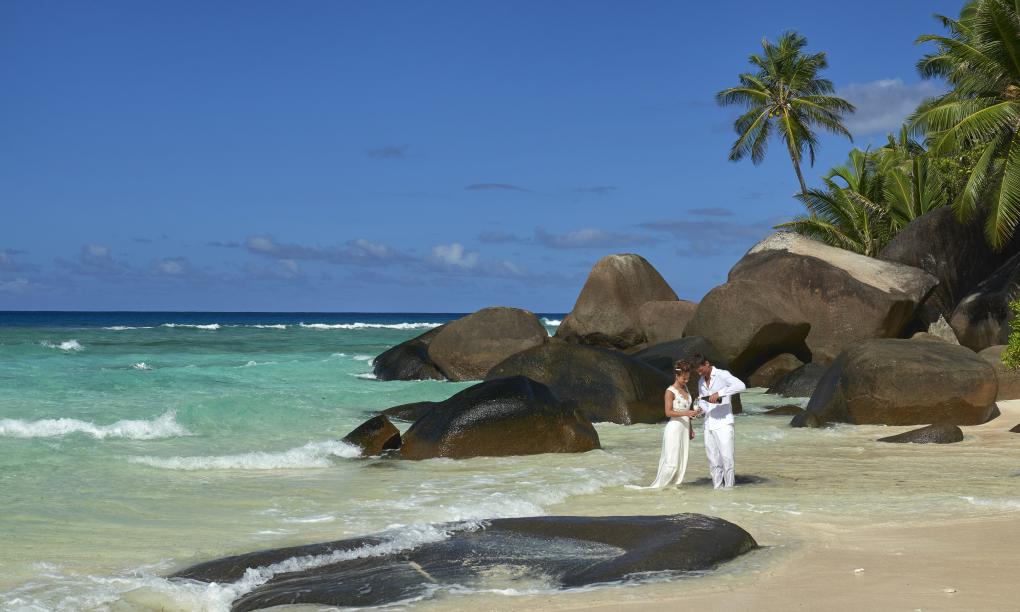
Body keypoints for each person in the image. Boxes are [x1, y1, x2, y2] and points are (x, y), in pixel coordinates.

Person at [645, 360, 703, 489]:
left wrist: (691, 428)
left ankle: (673, 489)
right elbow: (668, 412)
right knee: (671, 462)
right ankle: (658, 488)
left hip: (684, 429)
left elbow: (688, 412)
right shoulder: (670, 391)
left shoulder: (686, 389)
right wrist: (687, 413)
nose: (686, 381)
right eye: (684, 378)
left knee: (682, 461)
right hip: (674, 429)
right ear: (677, 375)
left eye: (688, 378)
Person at [692, 353, 746, 489]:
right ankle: (717, 488)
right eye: (696, 370)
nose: (699, 373)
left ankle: (729, 489)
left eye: (700, 369)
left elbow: (741, 386)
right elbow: (705, 404)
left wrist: (720, 393)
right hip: (708, 424)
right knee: (713, 461)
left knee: (727, 459)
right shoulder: (701, 382)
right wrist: (699, 410)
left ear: (707, 364)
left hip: (724, 423)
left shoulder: (722, 374)